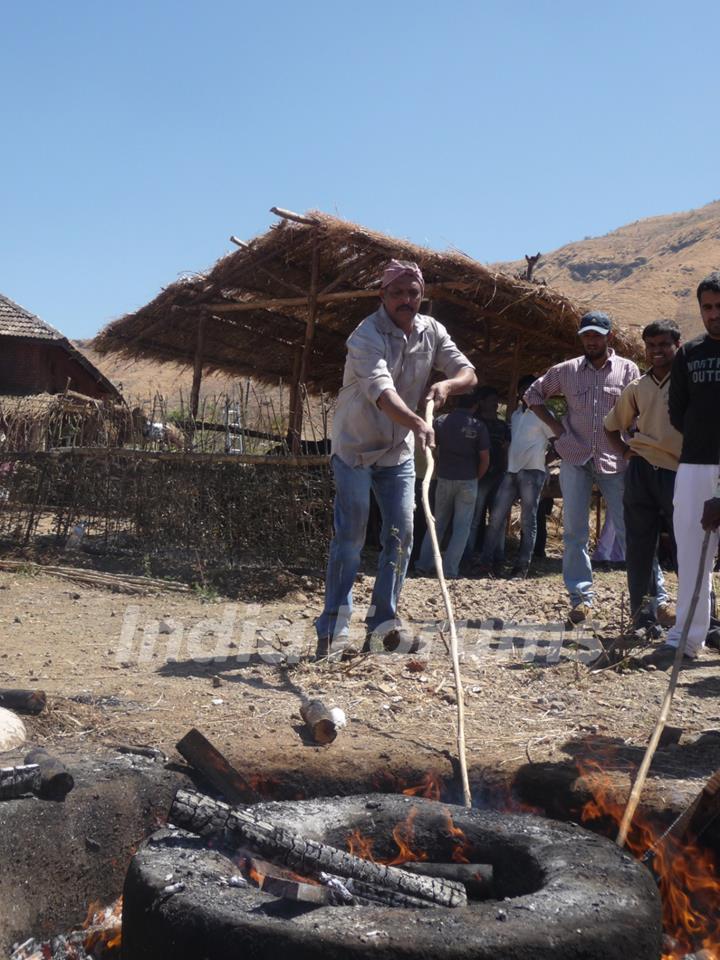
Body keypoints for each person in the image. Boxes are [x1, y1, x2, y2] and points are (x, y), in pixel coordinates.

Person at [315, 260, 476, 659]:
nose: (407, 300)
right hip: (354, 448)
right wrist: (419, 423)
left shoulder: (431, 330)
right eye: (398, 293)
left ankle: (383, 627)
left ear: (422, 296)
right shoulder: (365, 335)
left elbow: (467, 372)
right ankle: (332, 630)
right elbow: (383, 394)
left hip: (397, 452)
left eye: (414, 293)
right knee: (350, 538)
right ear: (382, 296)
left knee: (402, 535)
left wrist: (447, 385)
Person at [524, 311, 640, 625]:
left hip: (614, 459)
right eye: (586, 335)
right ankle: (580, 599)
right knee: (575, 531)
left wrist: (633, 446)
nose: (591, 340)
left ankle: (648, 598)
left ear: (608, 337)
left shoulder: (628, 370)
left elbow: (642, 408)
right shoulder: (566, 371)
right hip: (575, 455)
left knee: (633, 529)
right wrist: (556, 429)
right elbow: (532, 394)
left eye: (597, 335)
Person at [642, 273, 720, 668]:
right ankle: (687, 638)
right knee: (691, 552)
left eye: (719, 306)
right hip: (695, 464)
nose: (714, 314)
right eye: (707, 307)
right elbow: (678, 409)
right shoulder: (690, 353)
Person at [604, 320, 683, 633]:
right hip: (641, 471)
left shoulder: (690, 382)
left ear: (678, 344)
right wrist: (626, 454)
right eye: (651, 345)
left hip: (680, 471)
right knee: (639, 545)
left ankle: (702, 619)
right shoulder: (637, 387)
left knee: (688, 547)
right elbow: (611, 427)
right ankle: (642, 617)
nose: (657, 351)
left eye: (664, 344)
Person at [475, 374, 555, 579]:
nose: (527, 393)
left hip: (532, 472)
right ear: (520, 393)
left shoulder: (545, 414)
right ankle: (487, 563)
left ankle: (521, 567)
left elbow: (558, 441)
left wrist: (543, 462)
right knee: (496, 518)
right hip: (511, 472)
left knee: (529, 521)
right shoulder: (516, 415)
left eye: (531, 389)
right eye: (524, 389)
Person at [416, 392, 490, 578]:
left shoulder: (441, 421)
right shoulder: (479, 426)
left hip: (444, 477)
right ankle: (449, 570)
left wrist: (439, 466)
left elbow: (429, 447)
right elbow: (484, 458)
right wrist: (476, 477)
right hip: (468, 479)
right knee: (462, 527)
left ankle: (423, 565)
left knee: (437, 522)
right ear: (475, 406)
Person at [462, 386, 511, 570]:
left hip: (498, 476)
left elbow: (506, 450)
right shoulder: (474, 423)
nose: (495, 403)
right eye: (491, 399)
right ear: (481, 402)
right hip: (479, 476)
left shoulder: (503, 425)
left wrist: (506, 473)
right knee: (474, 519)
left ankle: (497, 557)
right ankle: (467, 555)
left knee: (497, 519)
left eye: (496, 400)